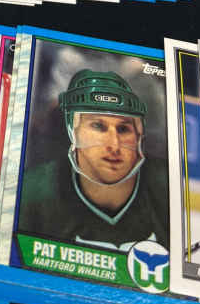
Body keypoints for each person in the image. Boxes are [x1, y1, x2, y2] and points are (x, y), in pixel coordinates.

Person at [19, 70, 169, 252]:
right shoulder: (31, 193)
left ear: (139, 135)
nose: (114, 145)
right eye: (98, 126)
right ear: (73, 130)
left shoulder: (166, 189)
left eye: (123, 129)